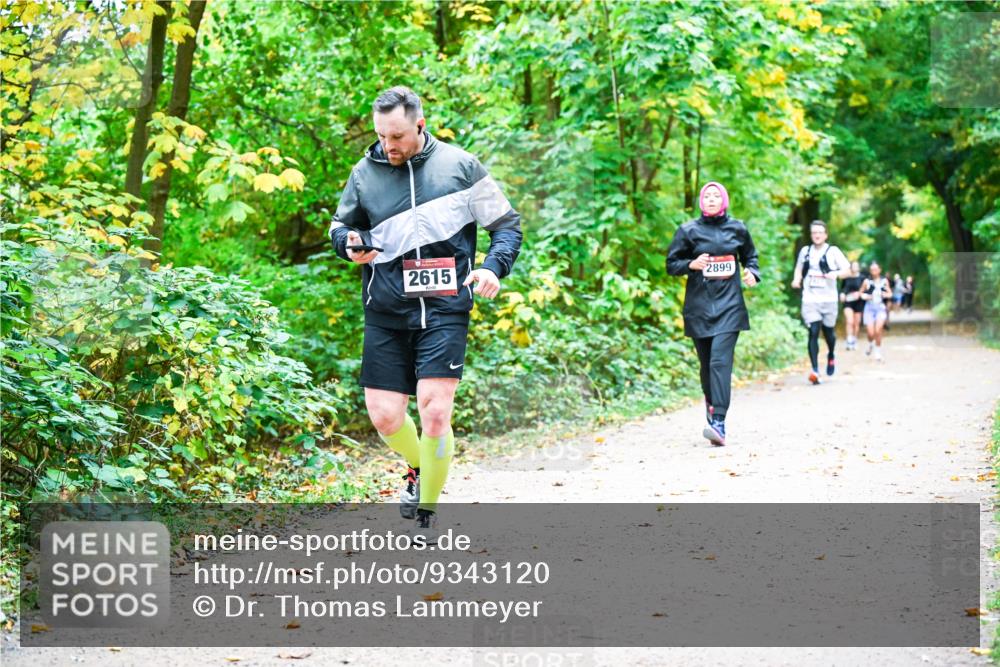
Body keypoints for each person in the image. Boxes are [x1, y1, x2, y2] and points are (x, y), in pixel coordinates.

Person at [328, 86, 522, 540]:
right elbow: (341, 227)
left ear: (420, 124)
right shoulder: (364, 173)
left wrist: (492, 267)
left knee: (435, 411)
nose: (387, 146)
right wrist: (349, 246)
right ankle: (420, 467)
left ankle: (427, 514)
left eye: (396, 136)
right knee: (385, 416)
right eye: (381, 136)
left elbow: (506, 225)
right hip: (386, 308)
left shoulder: (461, 167)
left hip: (445, 307)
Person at [666, 181, 761, 447]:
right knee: (707, 365)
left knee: (720, 362)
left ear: (723, 201)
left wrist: (753, 273)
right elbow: (671, 264)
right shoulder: (688, 231)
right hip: (699, 307)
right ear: (701, 201)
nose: (710, 199)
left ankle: (718, 421)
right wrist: (691, 264)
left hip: (730, 307)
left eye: (715, 195)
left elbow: (751, 257)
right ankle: (711, 404)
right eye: (706, 195)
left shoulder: (738, 228)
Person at [790, 221, 850, 384]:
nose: (817, 235)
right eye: (814, 232)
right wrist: (796, 279)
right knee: (813, 331)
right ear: (811, 235)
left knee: (829, 333)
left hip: (829, 299)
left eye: (820, 232)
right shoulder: (805, 251)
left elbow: (847, 270)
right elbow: (799, 268)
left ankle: (831, 354)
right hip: (810, 299)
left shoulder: (833, 251)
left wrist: (836, 274)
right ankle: (815, 370)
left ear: (826, 235)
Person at [860, 261, 892, 361]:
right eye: (872, 269)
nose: (874, 271)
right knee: (870, 333)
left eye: (875, 269)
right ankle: (870, 344)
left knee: (878, 330)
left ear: (879, 270)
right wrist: (866, 296)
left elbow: (890, 293)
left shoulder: (884, 281)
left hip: (880, 308)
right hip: (869, 308)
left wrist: (885, 295)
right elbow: (860, 293)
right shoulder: (867, 281)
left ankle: (878, 352)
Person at [840, 260, 865, 350]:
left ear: (859, 268)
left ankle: (854, 339)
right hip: (848, 302)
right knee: (849, 321)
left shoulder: (862, 278)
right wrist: (842, 294)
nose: (854, 268)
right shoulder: (846, 277)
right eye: (853, 266)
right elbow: (842, 288)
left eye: (856, 266)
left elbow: (866, 289)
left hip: (859, 302)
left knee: (856, 323)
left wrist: (859, 293)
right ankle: (849, 340)